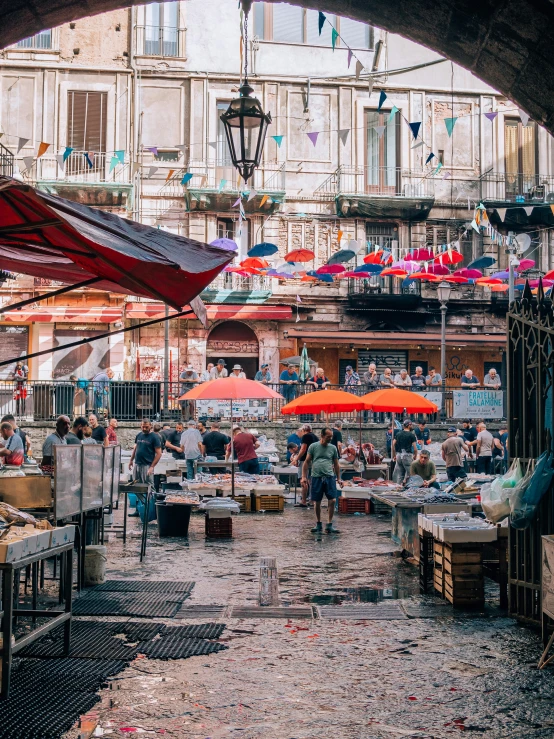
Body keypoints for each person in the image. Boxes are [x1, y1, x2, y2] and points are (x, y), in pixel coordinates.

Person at [303, 427, 342, 535]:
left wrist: (339, 478)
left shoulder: (333, 448)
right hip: (316, 477)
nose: (330, 439)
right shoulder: (313, 446)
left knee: (333, 500)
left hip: (329, 477)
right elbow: (306, 462)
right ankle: (319, 523)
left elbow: (336, 464)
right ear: (322, 436)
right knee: (317, 501)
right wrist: (303, 477)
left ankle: (329, 524)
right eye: (328, 437)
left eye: (331, 437)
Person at [128, 419, 162, 491]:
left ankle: (151, 501)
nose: (144, 429)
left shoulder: (154, 437)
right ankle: (140, 501)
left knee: (149, 485)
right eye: (143, 427)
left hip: (147, 465)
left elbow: (159, 453)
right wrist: (131, 460)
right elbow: (135, 448)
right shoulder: (139, 435)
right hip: (137, 464)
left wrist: (152, 467)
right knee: (136, 484)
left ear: (150, 426)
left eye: (146, 427)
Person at [292, 423, 318, 507]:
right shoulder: (315, 437)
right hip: (314, 461)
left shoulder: (305, 436)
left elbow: (303, 449)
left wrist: (296, 459)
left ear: (304, 430)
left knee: (303, 480)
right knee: (312, 480)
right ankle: (312, 500)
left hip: (305, 461)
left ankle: (303, 501)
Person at [392, 419, 418, 484]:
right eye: (411, 425)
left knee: (400, 475)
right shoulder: (411, 435)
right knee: (410, 474)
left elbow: (392, 445)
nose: (412, 426)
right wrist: (415, 456)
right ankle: (409, 490)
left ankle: (399, 488)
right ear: (408, 425)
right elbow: (415, 449)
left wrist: (394, 456)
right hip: (407, 456)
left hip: (399, 455)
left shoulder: (398, 434)